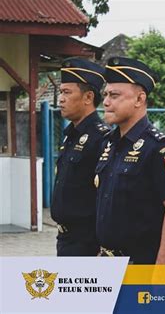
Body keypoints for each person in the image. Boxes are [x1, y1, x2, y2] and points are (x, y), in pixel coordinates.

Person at [95, 56, 165, 265]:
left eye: (115, 95)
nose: (106, 101)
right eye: (106, 95)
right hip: (109, 263)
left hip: (144, 264)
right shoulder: (108, 144)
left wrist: (162, 266)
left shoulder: (158, 149)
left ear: (139, 99)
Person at [51, 57, 109, 256]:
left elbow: (107, 197)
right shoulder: (71, 137)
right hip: (66, 240)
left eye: (67, 92)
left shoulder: (100, 139)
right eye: (61, 92)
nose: (61, 99)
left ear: (88, 97)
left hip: (88, 243)